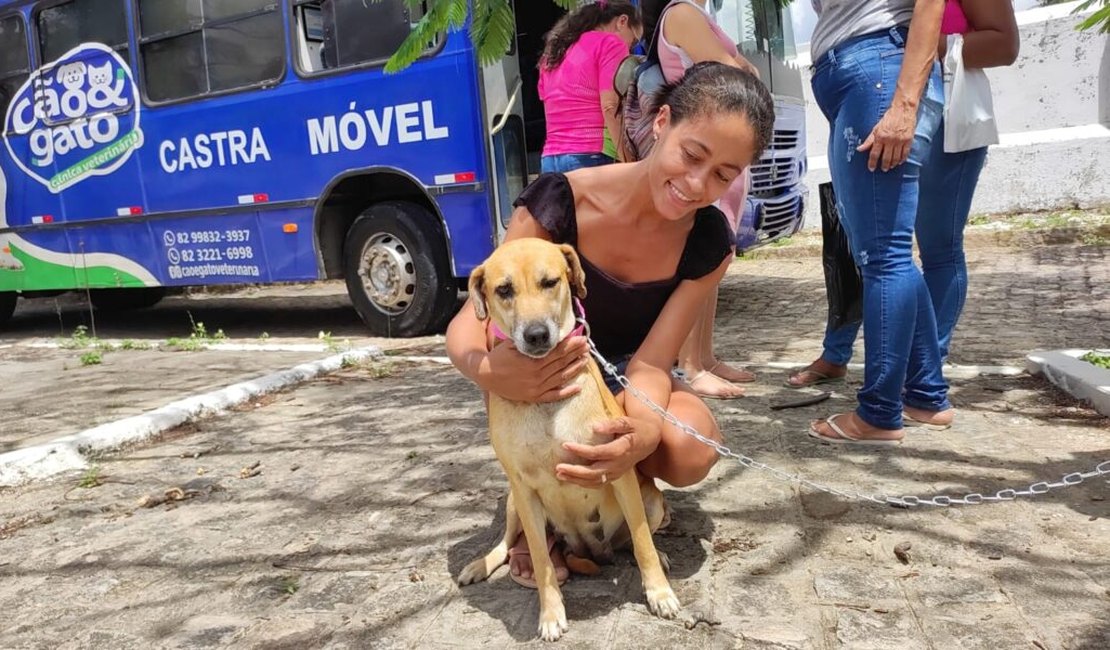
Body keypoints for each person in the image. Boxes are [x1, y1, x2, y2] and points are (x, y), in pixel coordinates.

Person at [447, 62, 774, 586]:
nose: (696, 184)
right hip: (546, 370)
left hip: (626, 375)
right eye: (693, 155)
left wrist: (640, 434)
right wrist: (488, 371)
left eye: (723, 174)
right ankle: (550, 519)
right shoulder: (558, 202)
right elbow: (469, 323)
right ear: (662, 121)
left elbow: (650, 360)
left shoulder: (708, 242)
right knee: (513, 365)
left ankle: (607, 495)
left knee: (693, 447)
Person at [788, 0, 1019, 395]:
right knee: (859, 244)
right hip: (873, 90)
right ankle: (841, 352)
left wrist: (925, 45)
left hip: (944, 108)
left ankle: (922, 374)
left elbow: (1004, 44)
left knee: (931, 249)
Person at [802, 0, 952, 445]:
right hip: (864, 75)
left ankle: (880, 413)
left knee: (884, 255)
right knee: (889, 251)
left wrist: (905, 103)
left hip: (880, 73)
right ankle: (926, 396)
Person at [641, 0, 761, 399]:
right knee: (698, 261)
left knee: (714, 260)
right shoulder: (681, 14)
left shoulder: (698, 14)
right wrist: (743, 69)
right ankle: (690, 364)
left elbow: (747, 81)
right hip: (707, 149)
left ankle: (704, 357)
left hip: (718, 157)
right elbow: (736, 79)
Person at [538, 0, 643, 174]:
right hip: (591, 155)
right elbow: (610, 107)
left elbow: (549, 109)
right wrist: (629, 162)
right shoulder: (610, 43)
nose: (630, 47)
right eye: (633, 40)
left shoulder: (553, 52)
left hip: (551, 158)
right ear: (622, 21)